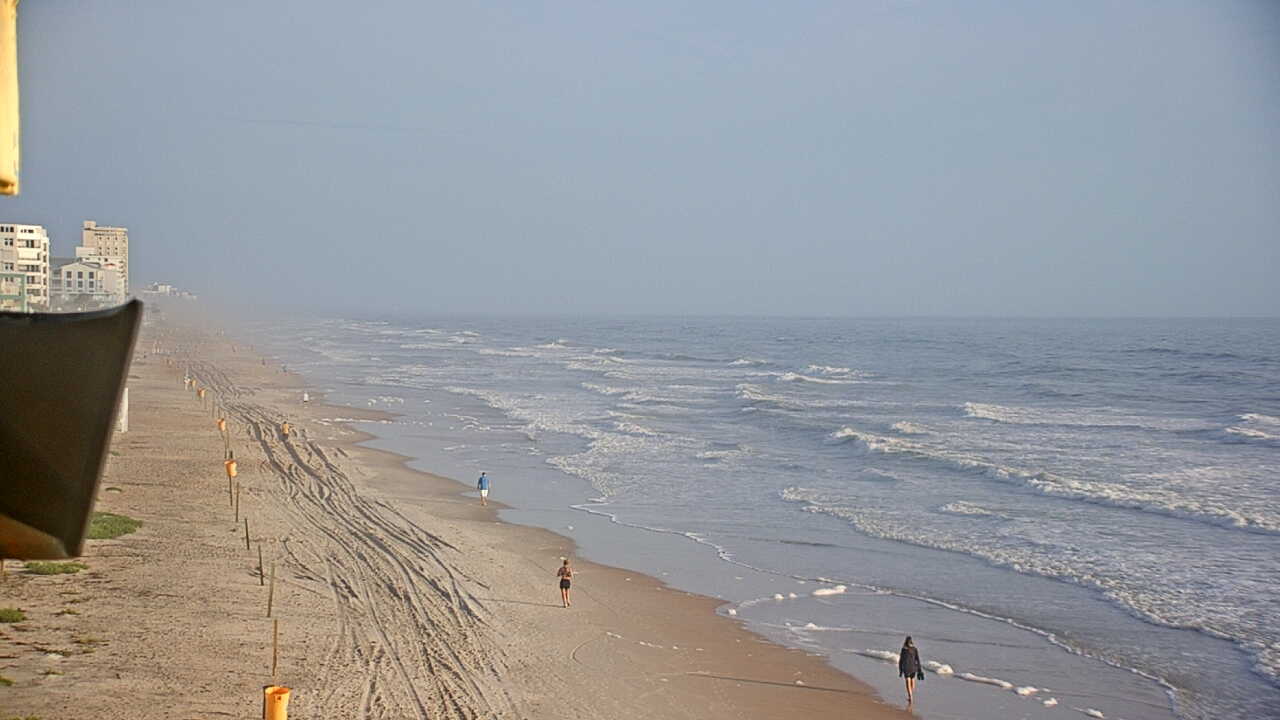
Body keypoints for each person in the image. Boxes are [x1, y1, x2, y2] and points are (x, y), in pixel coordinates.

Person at [898, 636, 924, 705]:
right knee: (913, 681)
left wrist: (900, 669)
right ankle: (911, 694)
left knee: (908, 682)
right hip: (913, 668)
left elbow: (901, 660)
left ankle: (910, 696)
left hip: (906, 667)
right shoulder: (914, 649)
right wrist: (919, 669)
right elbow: (917, 660)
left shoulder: (904, 650)